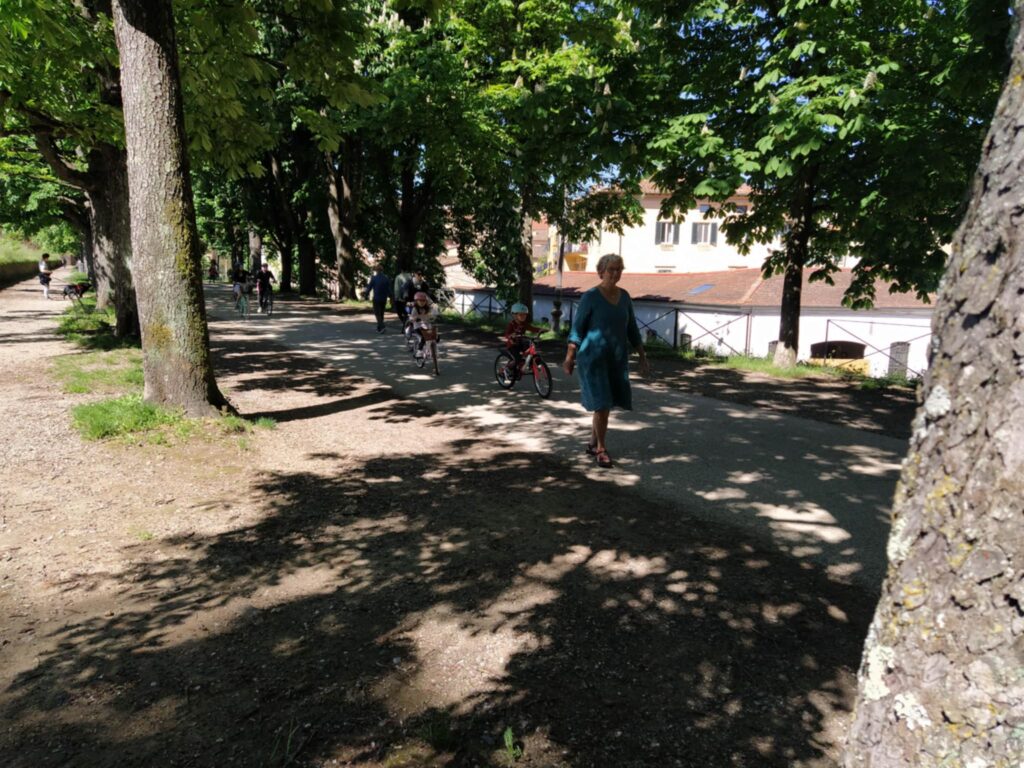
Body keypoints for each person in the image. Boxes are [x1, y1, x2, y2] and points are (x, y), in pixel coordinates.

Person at [561, 253, 649, 469]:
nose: (615, 273)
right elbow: (577, 329)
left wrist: (642, 356)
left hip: (616, 360)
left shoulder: (625, 297)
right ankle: (601, 449)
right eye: (611, 269)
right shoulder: (590, 297)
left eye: (619, 269)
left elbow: (632, 329)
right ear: (601, 272)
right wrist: (569, 357)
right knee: (602, 404)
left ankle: (592, 443)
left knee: (605, 404)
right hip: (593, 359)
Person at [504, 302, 542, 376]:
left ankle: (534, 365)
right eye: (521, 315)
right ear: (514, 315)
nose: (523, 316)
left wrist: (540, 330)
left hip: (521, 343)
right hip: (513, 345)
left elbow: (532, 328)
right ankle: (507, 368)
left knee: (532, 352)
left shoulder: (524, 324)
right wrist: (511, 335)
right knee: (518, 359)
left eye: (525, 315)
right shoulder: (511, 324)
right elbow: (506, 334)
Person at [363, 264, 392, 333]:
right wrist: (391, 296)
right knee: (381, 313)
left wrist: (366, 295)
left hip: (376, 298)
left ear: (376, 270)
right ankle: (379, 328)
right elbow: (389, 289)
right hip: (384, 298)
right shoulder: (386, 278)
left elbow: (369, 287)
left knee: (377, 313)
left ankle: (382, 326)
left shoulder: (374, 278)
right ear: (382, 270)